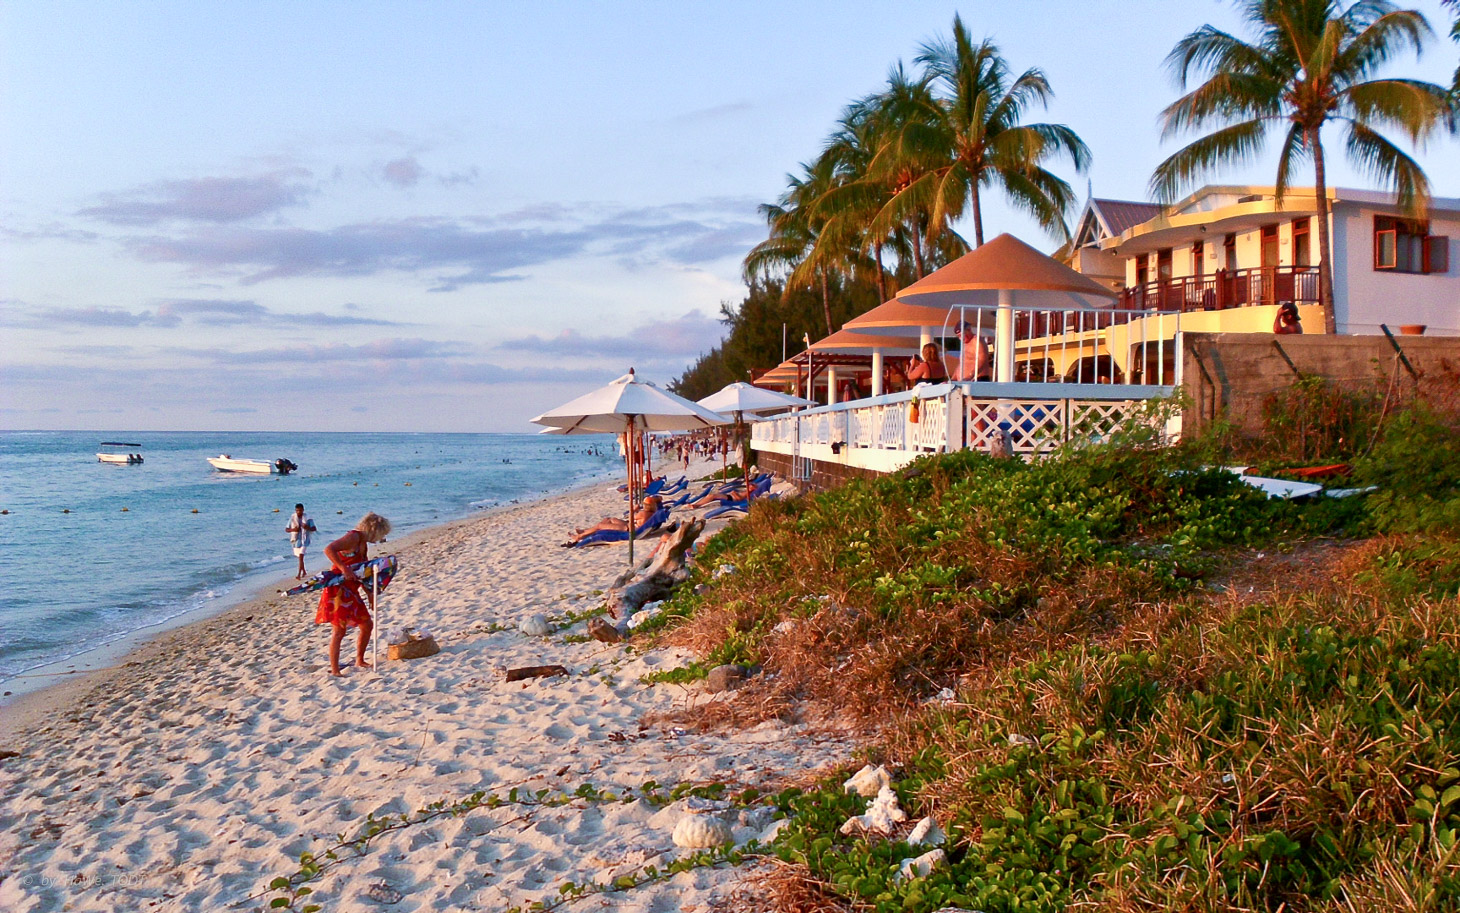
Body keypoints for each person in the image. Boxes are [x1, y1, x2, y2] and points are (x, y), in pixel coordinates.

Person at [316, 512, 391, 676]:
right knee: (339, 631)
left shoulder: (363, 543)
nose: (381, 538)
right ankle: (335, 670)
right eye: (381, 534)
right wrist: (343, 568)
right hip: (338, 589)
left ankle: (359, 659)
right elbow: (329, 549)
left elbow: (363, 571)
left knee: (367, 625)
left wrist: (370, 594)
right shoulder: (353, 537)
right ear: (374, 530)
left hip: (352, 589)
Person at [564, 495, 664, 545]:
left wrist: (634, 509)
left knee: (600, 526)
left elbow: (630, 517)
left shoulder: (643, 513)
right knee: (609, 519)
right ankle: (585, 531)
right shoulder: (653, 513)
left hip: (628, 529)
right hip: (630, 526)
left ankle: (579, 536)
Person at [285, 503, 317, 579]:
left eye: (300, 510)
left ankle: (299, 574)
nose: (299, 512)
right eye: (297, 510)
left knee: (301, 556)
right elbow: (286, 529)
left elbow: (314, 528)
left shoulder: (308, 518)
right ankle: (304, 571)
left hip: (305, 540)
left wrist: (307, 527)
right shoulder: (293, 518)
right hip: (296, 540)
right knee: (299, 557)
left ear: (303, 510)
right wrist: (293, 529)